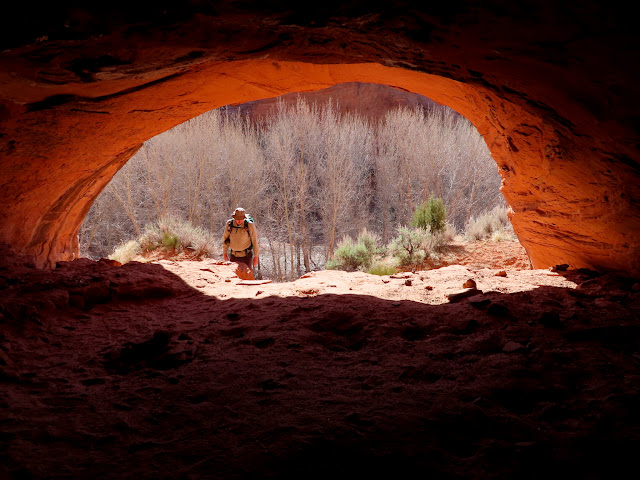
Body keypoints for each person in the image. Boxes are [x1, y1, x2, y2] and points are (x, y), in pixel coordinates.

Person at [222, 207, 259, 272]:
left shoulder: (249, 225)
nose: (239, 221)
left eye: (241, 219)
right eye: (237, 219)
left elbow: (254, 241)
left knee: (246, 277)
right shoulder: (230, 224)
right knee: (234, 276)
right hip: (233, 255)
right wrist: (225, 254)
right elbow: (225, 239)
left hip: (246, 256)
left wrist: (256, 257)